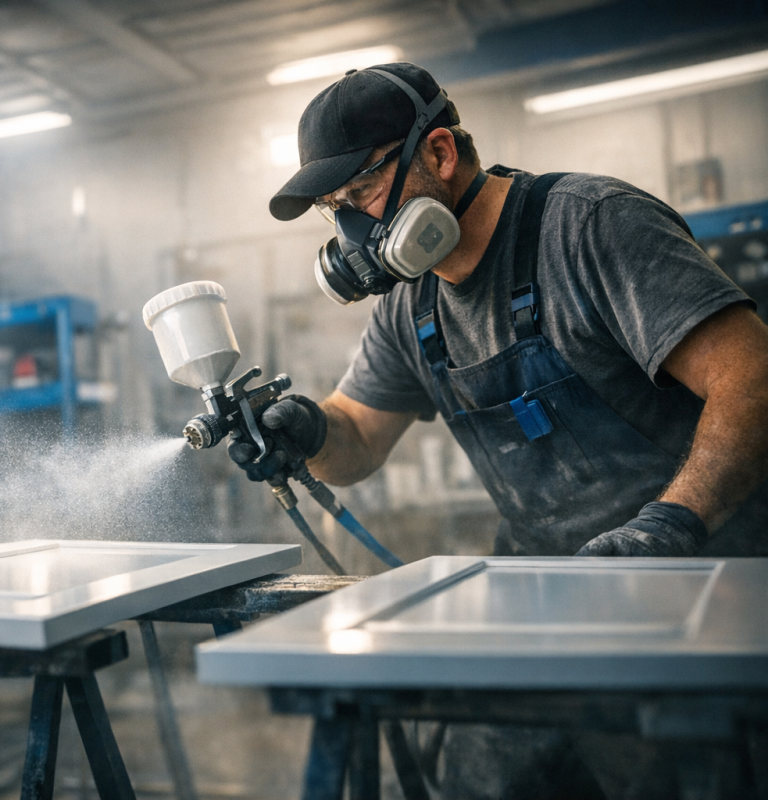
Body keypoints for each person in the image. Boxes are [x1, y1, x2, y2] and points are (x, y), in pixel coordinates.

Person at [228, 62, 768, 798]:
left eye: (360, 194)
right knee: (482, 769)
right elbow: (359, 437)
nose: (353, 227)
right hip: (551, 600)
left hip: (706, 584)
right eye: (335, 208)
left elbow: (752, 378)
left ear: (440, 154)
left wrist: (671, 525)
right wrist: (309, 429)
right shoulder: (408, 305)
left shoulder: (590, 225)